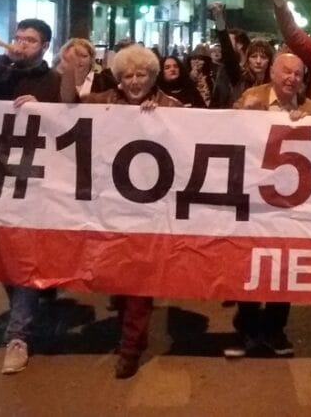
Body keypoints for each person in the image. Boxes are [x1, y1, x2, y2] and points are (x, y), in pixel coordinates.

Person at [0, 18, 76, 375]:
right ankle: (26, 311)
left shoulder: (52, 81)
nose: (21, 44)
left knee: (22, 254)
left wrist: (44, 109)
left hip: (37, 183)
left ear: (44, 47)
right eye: (18, 37)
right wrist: (2, 63)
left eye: (30, 40)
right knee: (6, 256)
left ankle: (17, 336)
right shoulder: (0, 74)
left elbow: (70, 120)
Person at [81, 45, 182, 379]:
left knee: (138, 279)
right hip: (110, 205)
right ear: (119, 79)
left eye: (141, 75)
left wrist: (161, 119)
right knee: (119, 277)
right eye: (128, 76)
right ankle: (131, 331)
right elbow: (64, 110)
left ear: (152, 77)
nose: (135, 81)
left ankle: (129, 348)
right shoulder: (102, 102)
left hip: (150, 208)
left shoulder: (170, 107)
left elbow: (189, 142)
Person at [225, 53, 311, 360]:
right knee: (249, 263)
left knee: (284, 266)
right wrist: (244, 114)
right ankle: (247, 328)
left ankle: (275, 329)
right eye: (286, 72)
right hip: (252, 197)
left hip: (290, 203)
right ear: (272, 73)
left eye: (298, 74)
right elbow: (224, 131)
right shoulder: (252, 97)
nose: (292, 78)